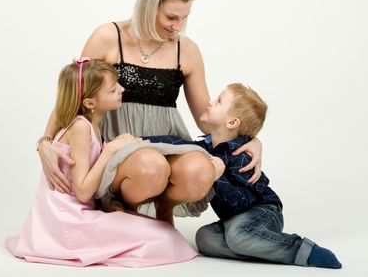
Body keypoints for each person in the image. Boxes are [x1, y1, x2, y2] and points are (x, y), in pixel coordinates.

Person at [36, 0, 263, 223]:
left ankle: (162, 212)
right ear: (148, 6)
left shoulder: (186, 51)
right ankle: (121, 208)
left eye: (184, 18)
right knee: (151, 165)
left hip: (169, 144)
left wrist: (250, 140)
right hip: (120, 145)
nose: (178, 26)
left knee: (200, 170)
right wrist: (44, 141)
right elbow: (74, 95)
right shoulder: (108, 37)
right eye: (171, 17)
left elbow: (208, 118)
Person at [6, 58, 198, 267]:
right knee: (163, 237)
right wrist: (111, 149)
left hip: (75, 213)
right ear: (90, 103)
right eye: (113, 89)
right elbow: (82, 191)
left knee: (163, 233)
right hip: (66, 220)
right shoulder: (80, 128)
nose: (122, 89)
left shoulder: (91, 126)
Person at [144, 83, 342, 269]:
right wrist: (140, 140)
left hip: (262, 211)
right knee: (204, 238)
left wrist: (217, 176)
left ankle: (302, 250)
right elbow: (176, 142)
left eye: (219, 101)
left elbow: (240, 203)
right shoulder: (205, 148)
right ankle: (261, 247)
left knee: (238, 235)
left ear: (232, 122)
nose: (211, 101)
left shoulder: (242, 155)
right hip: (234, 221)